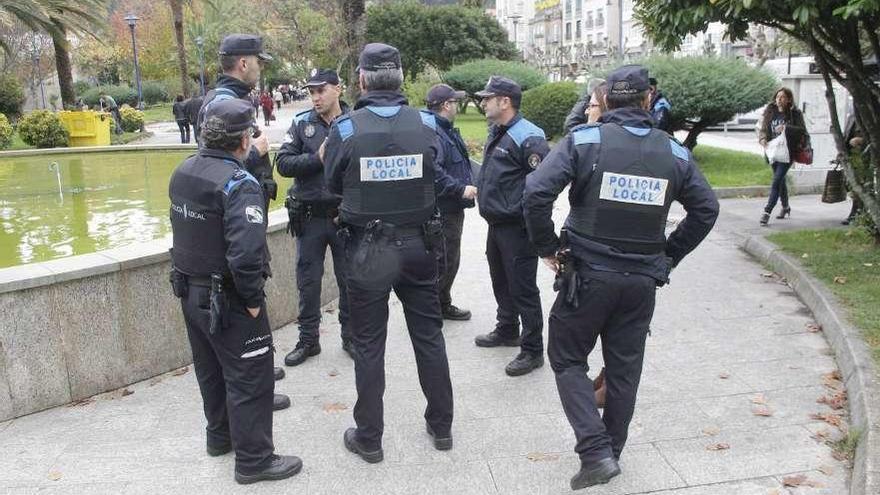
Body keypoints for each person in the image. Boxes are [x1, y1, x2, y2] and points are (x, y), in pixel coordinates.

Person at [523, 65, 720, 490]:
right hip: (640, 284)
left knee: (567, 358)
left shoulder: (584, 140)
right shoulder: (675, 153)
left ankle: (596, 453)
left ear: (608, 100)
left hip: (587, 278)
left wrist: (545, 247)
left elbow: (536, 192)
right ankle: (611, 453)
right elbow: (707, 210)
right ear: (648, 100)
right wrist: (669, 255)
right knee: (625, 370)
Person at [323, 42, 469, 463]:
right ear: (401, 79)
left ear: (362, 80)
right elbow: (434, 168)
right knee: (429, 337)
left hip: (368, 250)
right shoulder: (427, 124)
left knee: (369, 344)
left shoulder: (346, 129)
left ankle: (369, 438)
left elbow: (334, 183)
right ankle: (441, 427)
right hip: (419, 246)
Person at [168, 98, 303, 485]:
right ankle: (255, 460)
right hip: (227, 300)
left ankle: (220, 437)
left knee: (210, 370)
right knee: (250, 377)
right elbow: (245, 255)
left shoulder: (183, 172)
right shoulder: (239, 184)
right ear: (244, 139)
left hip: (191, 293)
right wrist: (252, 302)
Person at [196, 33, 287, 410]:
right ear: (244, 63)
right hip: (238, 214)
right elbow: (216, 164)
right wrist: (256, 155)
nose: (261, 67)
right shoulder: (224, 102)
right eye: (258, 61)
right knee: (249, 293)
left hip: (245, 209)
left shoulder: (230, 98)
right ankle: (256, 379)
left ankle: (259, 368)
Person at [275, 68, 354, 366]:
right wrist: (316, 158)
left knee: (349, 280)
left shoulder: (353, 123)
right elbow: (282, 164)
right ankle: (308, 340)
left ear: (338, 89)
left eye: (321, 90)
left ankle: (351, 337)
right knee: (308, 282)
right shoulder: (300, 124)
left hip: (344, 217)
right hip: (309, 217)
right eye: (311, 91)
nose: (316, 97)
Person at [473, 76, 550, 377]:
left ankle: (532, 350)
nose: (483, 103)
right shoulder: (500, 130)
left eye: (488, 98)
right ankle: (507, 329)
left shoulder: (529, 137)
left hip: (517, 227)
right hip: (497, 223)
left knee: (523, 289)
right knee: (501, 281)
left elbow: (540, 187)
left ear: (505, 101)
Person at [424, 83, 478, 321]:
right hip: (444, 209)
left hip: (452, 208)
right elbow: (432, 171)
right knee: (444, 260)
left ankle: (441, 302)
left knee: (448, 259)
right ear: (446, 105)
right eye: (455, 102)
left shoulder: (443, 129)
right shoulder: (434, 132)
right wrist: (459, 189)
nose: (457, 106)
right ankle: (434, 308)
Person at [758, 87, 807, 225]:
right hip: (772, 151)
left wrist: (786, 128)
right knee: (780, 181)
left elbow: (802, 130)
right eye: (777, 97)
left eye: (783, 97)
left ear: (789, 99)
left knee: (777, 180)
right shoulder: (770, 112)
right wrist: (762, 139)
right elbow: (763, 129)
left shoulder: (794, 114)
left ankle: (767, 211)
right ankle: (785, 207)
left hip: (787, 152)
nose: (779, 99)